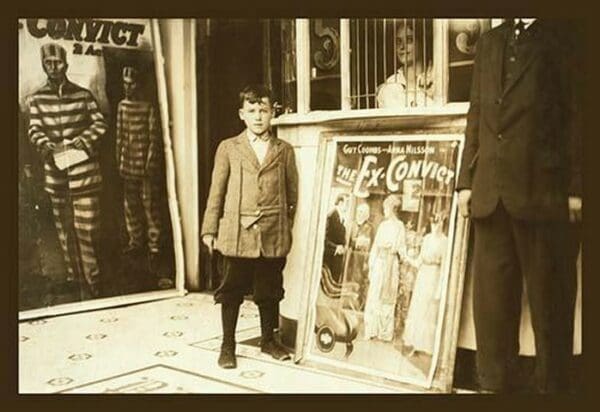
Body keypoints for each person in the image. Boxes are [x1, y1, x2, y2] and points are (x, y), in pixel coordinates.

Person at [456, 19, 582, 393]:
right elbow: (475, 114)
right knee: (492, 310)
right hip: (489, 196)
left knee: (550, 307)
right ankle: (495, 386)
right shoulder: (490, 43)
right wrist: (464, 182)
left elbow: (579, 118)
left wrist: (578, 187)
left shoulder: (565, 38)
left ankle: (552, 389)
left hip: (543, 195)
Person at [201, 84, 299, 369]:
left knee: (269, 289)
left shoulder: (284, 150)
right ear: (242, 114)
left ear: (273, 113)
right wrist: (210, 228)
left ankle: (268, 340)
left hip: (272, 232)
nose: (258, 117)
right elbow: (216, 191)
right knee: (231, 289)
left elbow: (293, 194)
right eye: (252, 111)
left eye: (264, 111)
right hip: (236, 232)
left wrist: (283, 225)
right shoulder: (228, 148)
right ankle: (228, 345)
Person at [26, 43, 107, 298]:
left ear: (66, 64)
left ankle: (93, 283)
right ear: (43, 65)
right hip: (57, 175)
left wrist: (85, 139)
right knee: (65, 230)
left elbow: (100, 123)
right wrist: (45, 144)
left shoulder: (83, 95)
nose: (53, 68)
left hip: (85, 175)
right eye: (48, 63)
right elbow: (34, 129)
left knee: (88, 229)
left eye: (57, 62)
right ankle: (74, 279)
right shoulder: (37, 99)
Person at [116, 66, 163, 275]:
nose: (128, 87)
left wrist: (150, 164)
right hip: (128, 166)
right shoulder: (122, 106)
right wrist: (120, 160)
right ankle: (135, 241)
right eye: (125, 83)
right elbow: (120, 136)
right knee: (130, 205)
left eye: (131, 83)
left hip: (144, 168)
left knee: (149, 206)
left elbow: (153, 138)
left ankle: (154, 246)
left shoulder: (148, 107)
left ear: (139, 84)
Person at [402, 213, 448, 357]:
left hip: (434, 276)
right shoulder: (427, 238)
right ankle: (415, 343)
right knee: (418, 308)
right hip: (423, 275)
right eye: (434, 223)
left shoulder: (445, 242)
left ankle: (427, 346)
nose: (436, 226)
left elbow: (444, 268)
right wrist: (407, 258)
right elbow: (419, 261)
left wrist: (439, 290)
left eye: (438, 223)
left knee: (429, 311)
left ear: (443, 224)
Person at [363, 194, 407, 341]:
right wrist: (371, 265)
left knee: (388, 299)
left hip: (391, 264)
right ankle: (371, 329)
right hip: (380, 263)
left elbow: (402, 249)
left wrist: (410, 259)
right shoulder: (382, 225)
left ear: (391, 209)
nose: (384, 211)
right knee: (375, 295)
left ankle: (385, 332)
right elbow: (375, 247)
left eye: (386, 208)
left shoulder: (400, 226)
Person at [376, 20, 434, 108]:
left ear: (422, 43)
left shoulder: (438, 78)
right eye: (398, 42)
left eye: (409, 40)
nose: (402, 47)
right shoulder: (390, 86)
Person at [344, 202, 374, 310]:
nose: (359, 214)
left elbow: (367, 243)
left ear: (366, 214)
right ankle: (346, 304)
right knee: (347, 280)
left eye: (362, 212)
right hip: (349, 258)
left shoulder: (369, 227)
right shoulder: (351, 224)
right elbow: (347, 241)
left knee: (357, 282)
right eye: (358, 211)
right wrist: (356, 242)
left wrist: (356, 242)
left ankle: (355, 305)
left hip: (360, 260)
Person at [323, 193, 349, 285]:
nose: (348, 206)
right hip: (330, 258)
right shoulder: (331, 216)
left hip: (336, 258)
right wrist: (335, 248)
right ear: (340, 203)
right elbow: (324, 238)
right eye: (347, 203)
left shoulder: (341, 217)